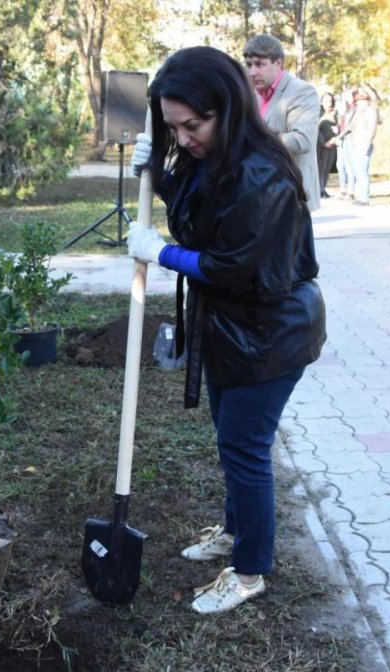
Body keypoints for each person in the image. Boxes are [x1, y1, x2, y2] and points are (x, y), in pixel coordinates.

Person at [127, 46, 326, 614]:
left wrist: (163, 254)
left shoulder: (260, 175)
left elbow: (235, 267)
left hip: (270, 335)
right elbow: (202, 210)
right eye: (174, 127)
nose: (185, 137)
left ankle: (249, 570)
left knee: (245, 449)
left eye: (195, 124)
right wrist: (160, 176)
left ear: (229, 109)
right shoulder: (213, 157)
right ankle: (237, 532)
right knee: (230, 438)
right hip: (232, 328)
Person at [243, 34, 321, 211]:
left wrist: (256, 138)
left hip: (291, 196)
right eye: (249, 65)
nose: (252, 72)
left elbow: (303, 140)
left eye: (259, 64)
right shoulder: (253, 94)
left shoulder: (301, 91)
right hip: (259, 194)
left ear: (278, 63)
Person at [348, 84, 380, 206]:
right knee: (357, 171)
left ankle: (364, 198)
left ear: (367, 101)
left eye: (363, 101)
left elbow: (372, 129)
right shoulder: (358, 113)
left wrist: (368, 143)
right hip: (356, 145)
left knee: (362, 172)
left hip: (364, 145)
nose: (360, 103)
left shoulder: (371, 111)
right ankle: (360, 196)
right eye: (359, 101)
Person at [316, 92, 339, 198]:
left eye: (330, 100)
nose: (328, 103)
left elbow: (340, 127)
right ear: (321, 102)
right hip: (321, 144)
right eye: (325, 100)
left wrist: (335, 138)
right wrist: (323, 143)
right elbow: (316, 130)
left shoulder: (336, 114)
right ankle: (319, 189)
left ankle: (323, 188)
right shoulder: (317, 113)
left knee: (327, 168)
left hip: (333, 144)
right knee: (320, 168)